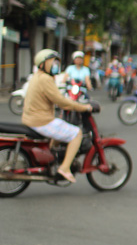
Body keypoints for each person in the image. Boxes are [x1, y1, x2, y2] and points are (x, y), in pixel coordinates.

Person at [21, 49, 94, 183]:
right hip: (41, 121)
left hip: (33, 118)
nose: (55, 65)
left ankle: (52, 155)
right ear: (43, 64)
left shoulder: (38, 76)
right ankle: (65, 168)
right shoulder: (45, 79)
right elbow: (61, 101)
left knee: (61, 125)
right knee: (76, 133)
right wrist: (83, 107)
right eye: (52, 62)